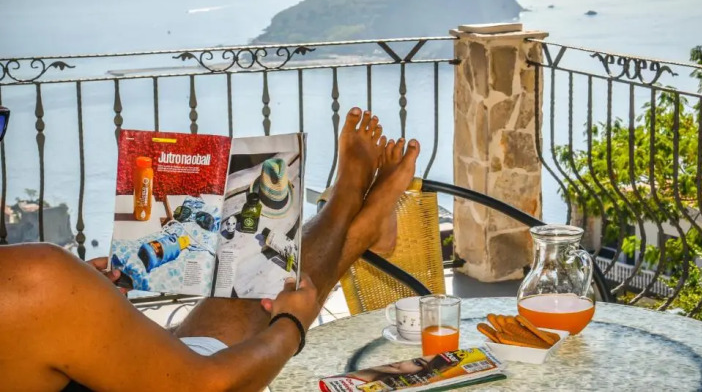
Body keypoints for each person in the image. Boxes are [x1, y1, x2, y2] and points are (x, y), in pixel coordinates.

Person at [0, 107, 420, 392]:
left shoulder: (30, 283)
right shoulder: (36, 278)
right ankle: (352, 209)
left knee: (247, 282)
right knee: (265, 293)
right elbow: (207, 387)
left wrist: (78, 308)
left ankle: (358, 217)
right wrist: (292, 324)